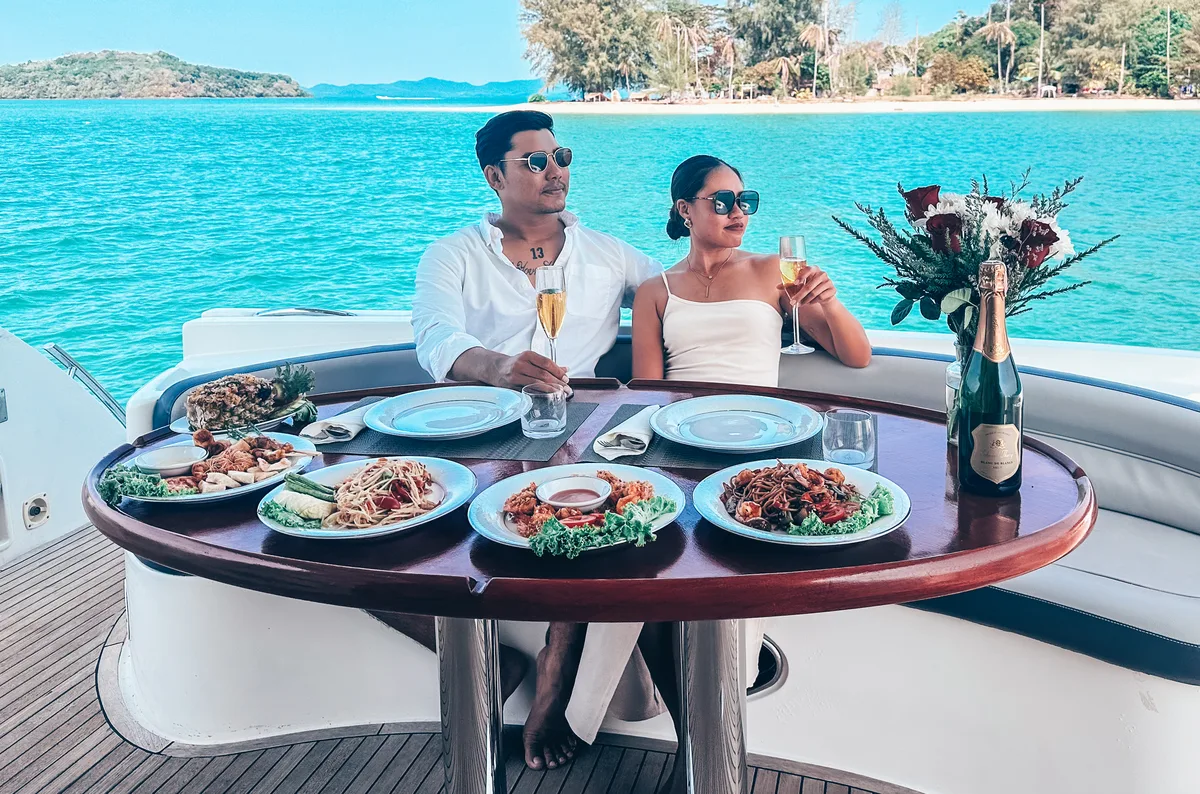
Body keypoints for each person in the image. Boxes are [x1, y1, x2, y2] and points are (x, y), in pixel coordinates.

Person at [561, 154, 871, 792]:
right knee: (647, 568)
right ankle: (695, 746)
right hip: (678, 446)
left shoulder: (773, 272)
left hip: (761, 445)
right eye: (722, 201)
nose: (738, 213)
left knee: (705, 574)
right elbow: (650, 391)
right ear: (685, 210)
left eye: (745, 200)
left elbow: (857, 355)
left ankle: (690, 748)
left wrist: (829, 302)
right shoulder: (657, 291)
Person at [397, 110, 661, 772]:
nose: (555, 171)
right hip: (478, 434)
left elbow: (682, 293)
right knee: (379, 534)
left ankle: (555, 665)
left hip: (578, 432)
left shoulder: (609, 254)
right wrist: (497, 366)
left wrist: (783, 296)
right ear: (495, 176)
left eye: (561, 156)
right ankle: (487, 654)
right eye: (535, 161)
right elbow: (434, 336)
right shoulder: (452, 254)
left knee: (579, 512)